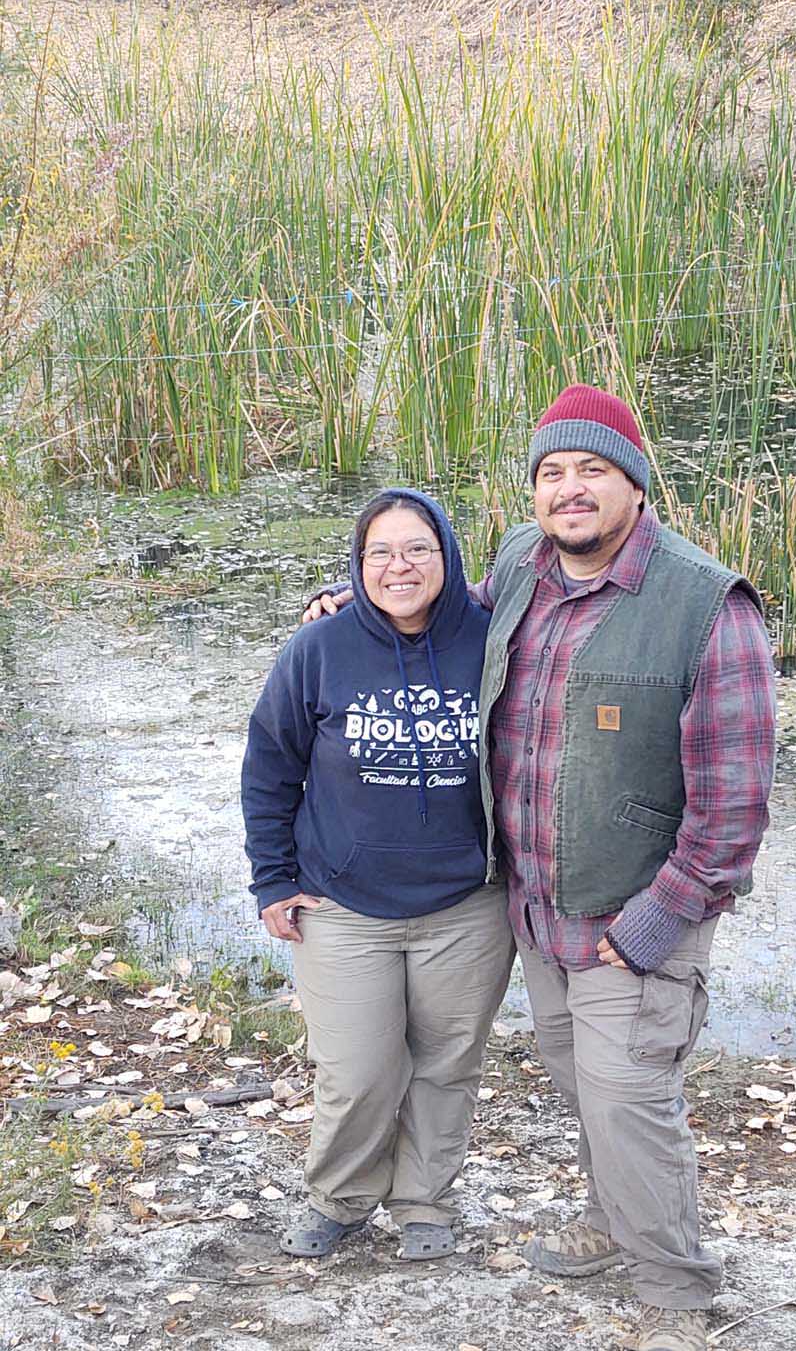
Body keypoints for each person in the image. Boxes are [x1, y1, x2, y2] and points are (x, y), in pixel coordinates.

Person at [305, 386, 776, 1351]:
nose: (570, 491)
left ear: (636, 487)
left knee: (629, 1098)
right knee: (582, 1083)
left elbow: (733, 813)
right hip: (537, 913)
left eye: (592, 471)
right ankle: (614, 1226)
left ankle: (677, 1289)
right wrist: (356, 602)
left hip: (631, 919)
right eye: (552, 473)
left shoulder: (706, 607)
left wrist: (652, 927)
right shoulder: (524, 567)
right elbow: (446, 619)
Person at [243, 488, 515, 1261]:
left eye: (418, 549)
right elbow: (269, 766)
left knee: (447, 1063)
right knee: (358, 1070)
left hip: (467, 903)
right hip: (343, 902)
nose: (401, 567)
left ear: (449, 556)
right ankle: (341, 1197)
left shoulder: (494, 638)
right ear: (357, 567)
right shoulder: (319, 649)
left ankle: (424, 1198)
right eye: (380, 554)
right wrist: (272, 880)